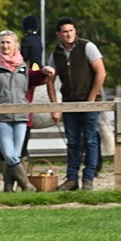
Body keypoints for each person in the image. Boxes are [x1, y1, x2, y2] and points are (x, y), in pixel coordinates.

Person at [0, 30, 45, 192]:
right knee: (8, 154)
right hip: (1, 116)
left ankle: (8, 189)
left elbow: (26, 88)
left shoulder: (22, 65)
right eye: (2, 42)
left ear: (16, 45)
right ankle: (27, 186)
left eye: (8, 42)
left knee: (15, 154)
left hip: (21, 114)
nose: (5, 45)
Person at [44, 17, 106, 191]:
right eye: (65, 31)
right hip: (69, 102)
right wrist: (55, 106)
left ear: (75, 31)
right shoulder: (56, 53)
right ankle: (72, 179)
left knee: (90, 140)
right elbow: (50, 80)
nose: (68, 34)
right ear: (59, 34)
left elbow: (101, 73)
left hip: (89, 102)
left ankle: (88, 178)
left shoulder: (88, 46)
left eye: (71, 30)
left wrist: (91, 99)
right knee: (72, 142)